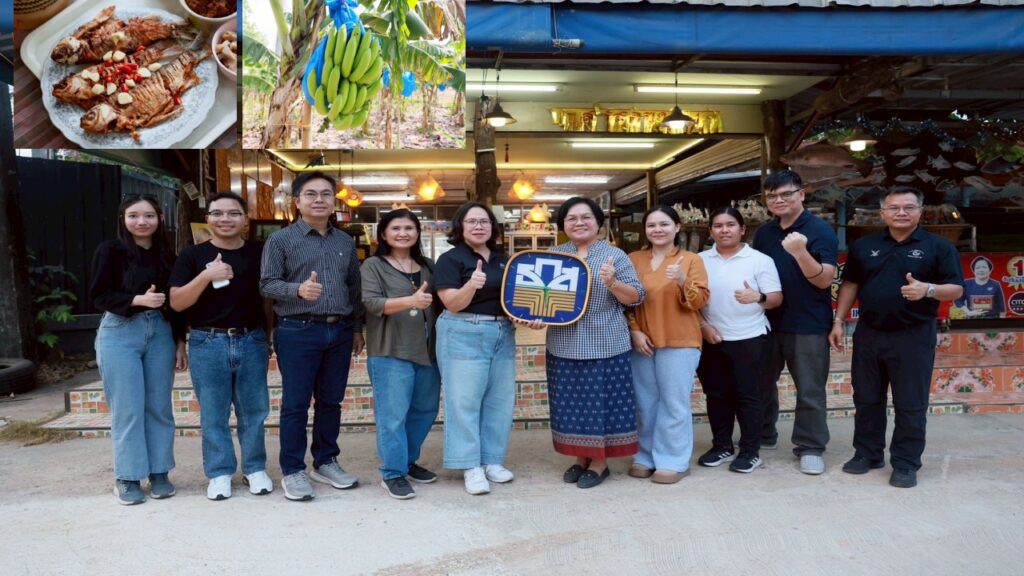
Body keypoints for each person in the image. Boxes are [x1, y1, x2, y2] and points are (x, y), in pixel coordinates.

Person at [830, 187, 963, 489]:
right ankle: (867, 454)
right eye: (894, 208)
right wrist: (838, 321)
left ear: (920, 211)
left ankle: (905, 463)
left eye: (908, 207)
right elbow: (850, 284)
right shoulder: (864, 246)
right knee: (866, 398)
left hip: (913, 336)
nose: (901, 213)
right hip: (869, 334)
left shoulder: (939, 247)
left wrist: (928, 289)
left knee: (910, 402)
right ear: (882, 213)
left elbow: (955, 289)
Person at [260, 171, 365, 501]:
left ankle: (325, 461)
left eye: (326, 194)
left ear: (335, 201)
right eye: (311, 194)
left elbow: (354, 287)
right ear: (297, 201)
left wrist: (357, 328)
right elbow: (267, 284)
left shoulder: (345, 241)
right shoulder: (280, 240)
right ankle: (293, 469)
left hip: (340, 330)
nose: (319, 200)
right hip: (298, 330)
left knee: (331, 401)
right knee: (296, 404)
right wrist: (297, 290)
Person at [169, 192, 274, 500]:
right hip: (207, 340)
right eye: (217, 213)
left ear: (245, 219)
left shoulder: (260, 253)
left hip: (252, 339)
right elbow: (177, 302)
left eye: (233, 213)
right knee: (214, 413)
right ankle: (219, 472)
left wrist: (268, 336)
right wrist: (207, 275)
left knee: (254, 410)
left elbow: (268, 300)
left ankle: (255, 468)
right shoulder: (192, 255)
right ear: (208, 219)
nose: (225, 219)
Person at [90, 194, 187, 505]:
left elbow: (176, 303)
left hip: (160, 332)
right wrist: (137, 300)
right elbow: (98, 295)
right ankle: (128, 476)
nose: (141, 222)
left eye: (148, 216)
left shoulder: (167, 255)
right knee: (128, 409)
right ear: (123, 219)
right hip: (120, 332)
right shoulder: (110, 250)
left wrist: (180, 341)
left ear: (160, 218)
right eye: (133, 215)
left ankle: (159, 472)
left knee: (159, 407)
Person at [547, 196, 645, 489]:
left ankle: (600, 463)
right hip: (563, 344)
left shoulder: (615, 256)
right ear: (563, 225)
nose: (579, 223)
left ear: (598, 223)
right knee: (571, 404)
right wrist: (537, 316)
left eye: (586, 217)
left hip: (606, 344)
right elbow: (544, 298)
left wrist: (613, 282)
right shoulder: (555, 255)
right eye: (571, 218)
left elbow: (636, 297)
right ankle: (581, 457)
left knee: (602, 405)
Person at [752, 169, 839, 475]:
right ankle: (764, 433)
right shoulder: (764, 233)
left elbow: (824, 280)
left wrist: (800, 252)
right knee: (760, 384)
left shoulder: (820, 230)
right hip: (766, 321)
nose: (779, 200)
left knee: (810, 389)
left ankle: (811, 446)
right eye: (772, 196)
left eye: (786, 194)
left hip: (808, 323)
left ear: (802, 194)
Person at [434, 202, 517, 495]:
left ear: (493, 227)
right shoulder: (450, 259)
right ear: (461, 227)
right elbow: (452, 303)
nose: (479, 226)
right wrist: (471, 285)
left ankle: (491, 460)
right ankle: (469, 465)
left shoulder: (504, 260)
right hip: (463, 330)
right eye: (472, 221)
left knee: (499, 400)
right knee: (464, 401)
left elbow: (515, 300)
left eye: (484, 221)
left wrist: (527, 316)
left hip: (502, 332)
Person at [361, 208, 441, 500]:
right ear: (383, 234)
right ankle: (392, 472)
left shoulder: (428, 266)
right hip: (390, 350)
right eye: (396, 228)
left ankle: (407, 461)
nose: (403, 233)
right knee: (392, 416)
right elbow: (371, 303)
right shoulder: (373, 265)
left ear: (418, 233)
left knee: (425, 411)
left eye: (409, 228)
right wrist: (411, 301)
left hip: (428, 351)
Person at [626, 206, 709, 484]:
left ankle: (673, 460)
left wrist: (683, 280)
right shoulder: (634, 259)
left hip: (679, 339)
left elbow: (699, 301)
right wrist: (635, 331)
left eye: (664, 224)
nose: (658, 230)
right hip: (642, 341)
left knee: (674, 403)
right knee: (645, 402)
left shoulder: (691, 260)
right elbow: (624, 300)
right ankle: (645, 456)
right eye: (652, 225)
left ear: (677, 227)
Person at [696, 207, 782, 474]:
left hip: (750, 337)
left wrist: (758, 297)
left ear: (742, 229)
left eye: (731, 224)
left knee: (749, 396)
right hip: (711, 337)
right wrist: (703, 326)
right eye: (718, 225)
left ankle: (750, 451)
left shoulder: (759, 260)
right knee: (716, 394)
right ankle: (722, 446)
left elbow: (776, 298)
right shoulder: (698, 260)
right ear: (711, 231)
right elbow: (689, 299)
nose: (724, 230)